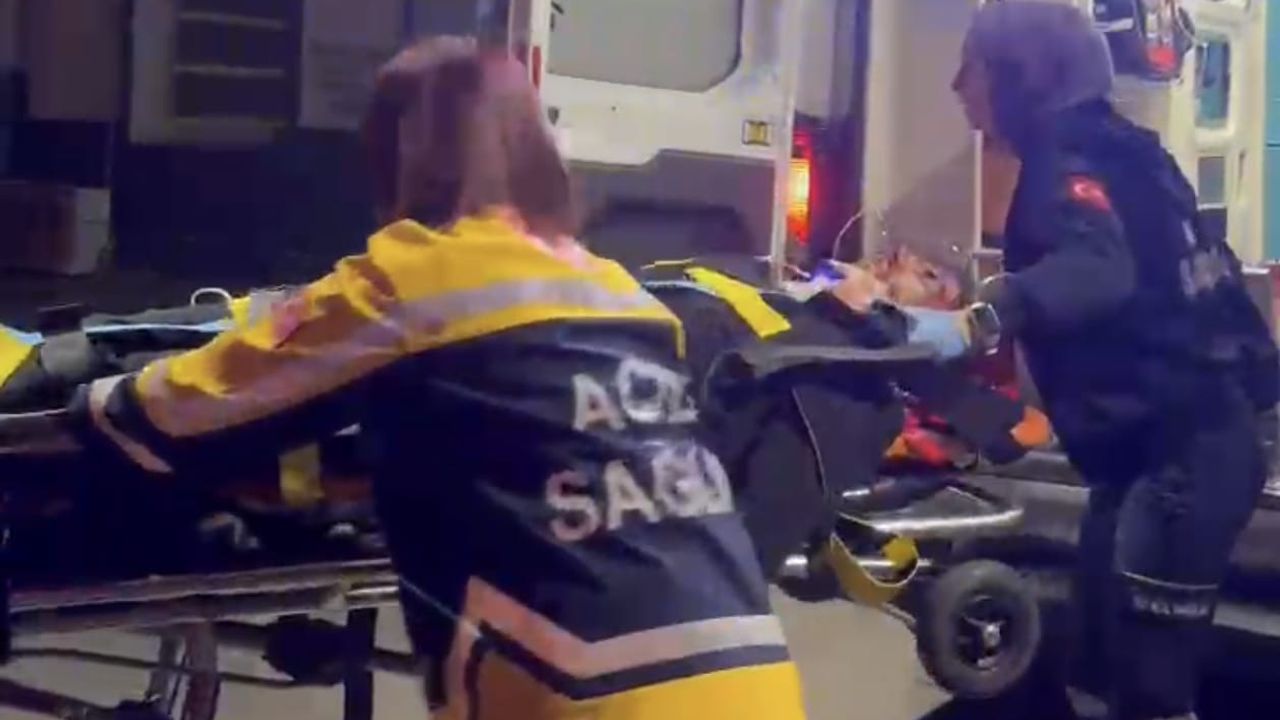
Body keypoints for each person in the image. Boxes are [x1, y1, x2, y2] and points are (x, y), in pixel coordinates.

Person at [65, 37, 808, 720]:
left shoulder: (411, 277)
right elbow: (526, 447)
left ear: (395, 157)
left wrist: (84, 392)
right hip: (758, 684)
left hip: (594, 700)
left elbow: (172, 411)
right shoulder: (625, 294)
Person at [913, 3, 1279, 718]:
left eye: (972, 68)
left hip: (1182, 458)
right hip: (1165, 450)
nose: (958, 86)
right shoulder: (1133, 154)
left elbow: (1100, 268)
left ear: (1020, 75)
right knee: (1093, 665)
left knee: (1147, 687)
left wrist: (983, 316)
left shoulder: (1067, 163)